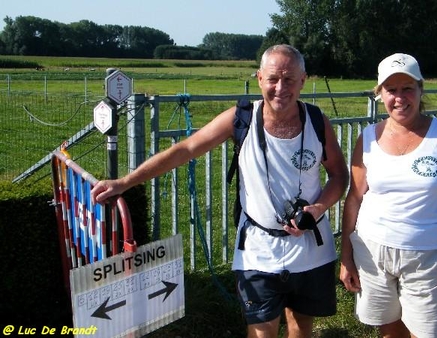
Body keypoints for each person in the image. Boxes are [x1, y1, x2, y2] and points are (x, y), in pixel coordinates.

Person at [91, 44, 349, 338]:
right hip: (258, 249)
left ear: (303, 80)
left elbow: (338, 176)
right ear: (259, 78)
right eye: (273, 78)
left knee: (301, 327)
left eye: (290, 79)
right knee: (262, 332)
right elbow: (185, 149)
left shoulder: (317, 122)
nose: (281, 88)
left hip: (311, 249)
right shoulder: (240, 119)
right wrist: (125, 182)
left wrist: (318, 208)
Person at [339, 53, 437, 338]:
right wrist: (346, 257)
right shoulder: (368, 138)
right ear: (381, 94)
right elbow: (354, 199)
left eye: (407, 88)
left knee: (425, 333)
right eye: (391, 90)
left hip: (427, 256)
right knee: (389, 331)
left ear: (420, 89)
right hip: (372, 252)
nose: (399, 98)